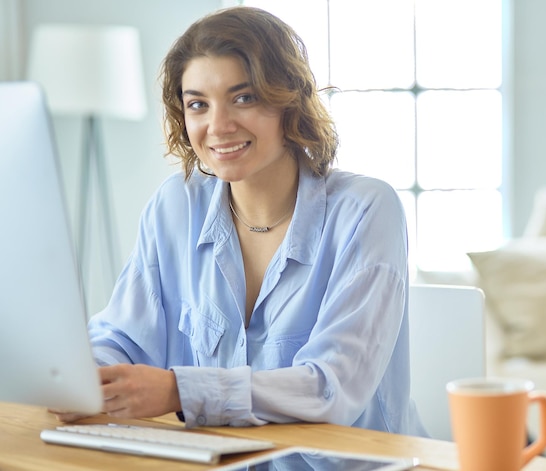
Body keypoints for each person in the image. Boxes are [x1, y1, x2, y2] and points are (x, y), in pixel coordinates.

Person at [55, 5, 422, 436]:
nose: (219, 126)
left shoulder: (366, 209)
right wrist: (81, 381)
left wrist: (180, 391)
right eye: (198, 105)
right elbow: (121, 337)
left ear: (289, 100)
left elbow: (331, 388)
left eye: (243, 98)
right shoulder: (175, 206)